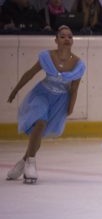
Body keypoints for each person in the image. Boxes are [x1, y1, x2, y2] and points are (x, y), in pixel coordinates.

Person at [5, 26, 85, 184]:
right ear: (56, 40)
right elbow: (30, 73)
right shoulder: (47, 56)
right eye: (62, 36)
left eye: (70, 36)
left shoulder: (78, 64)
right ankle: (32, 163)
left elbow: (74, 88)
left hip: (60, 100)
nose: (66, 39)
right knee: (40, 123)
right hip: (42, 94)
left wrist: (70, 108)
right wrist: (15, 90)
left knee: (39, 133)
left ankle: (23, 163)